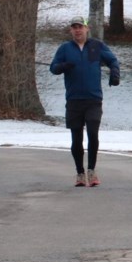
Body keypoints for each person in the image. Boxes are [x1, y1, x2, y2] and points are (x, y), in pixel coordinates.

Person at [50, 16, 120, 187]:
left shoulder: (96, 46)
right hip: (74, 100)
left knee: (93, 134)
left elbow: (112, 60)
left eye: (80, 27)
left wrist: (115, 73)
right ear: (71, 30)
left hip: (93, 99)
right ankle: (80, 173)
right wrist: (63, 66)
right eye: (74, 27)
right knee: (76, 138)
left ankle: (92, 171)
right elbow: (53, 68)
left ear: (86, 29)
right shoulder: (65, 48)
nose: (77, 30)